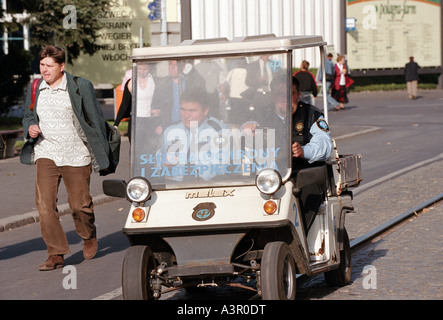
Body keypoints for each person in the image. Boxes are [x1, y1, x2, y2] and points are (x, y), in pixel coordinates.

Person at [22, 45, 112, 271]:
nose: (44, 70)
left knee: (80, 205)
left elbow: (95, 119)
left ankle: (88, 235)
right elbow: (28, 115)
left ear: (62, 66)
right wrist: (30, 127)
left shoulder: (80, 86)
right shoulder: (36, 87)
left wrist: (102, 154)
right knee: (44, 205)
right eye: (42, 65)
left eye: (49, 66)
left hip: (75, 153)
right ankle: (56, 253)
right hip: (46, 152)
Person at [242, 74, 332, 167]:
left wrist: (303, 151)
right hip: (267, 174)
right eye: (280, 94)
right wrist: (248, 127)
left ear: (298, 96)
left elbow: (324, 144)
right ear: (272, 96)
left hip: (303, 173)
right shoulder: (261, 114)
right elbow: (241, 130)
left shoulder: (312, 115)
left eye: (291, 94)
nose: (286, 99)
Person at [159, 88, 228, 181]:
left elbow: (220, 166)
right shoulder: (170, 131)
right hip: (174, 186)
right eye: (183, 109)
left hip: (206, 186)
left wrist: (199, 181)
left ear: (205, 110)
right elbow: (159, 159)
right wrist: (165, 165)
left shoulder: (218, 130)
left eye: (192, 110)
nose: (186, 115)